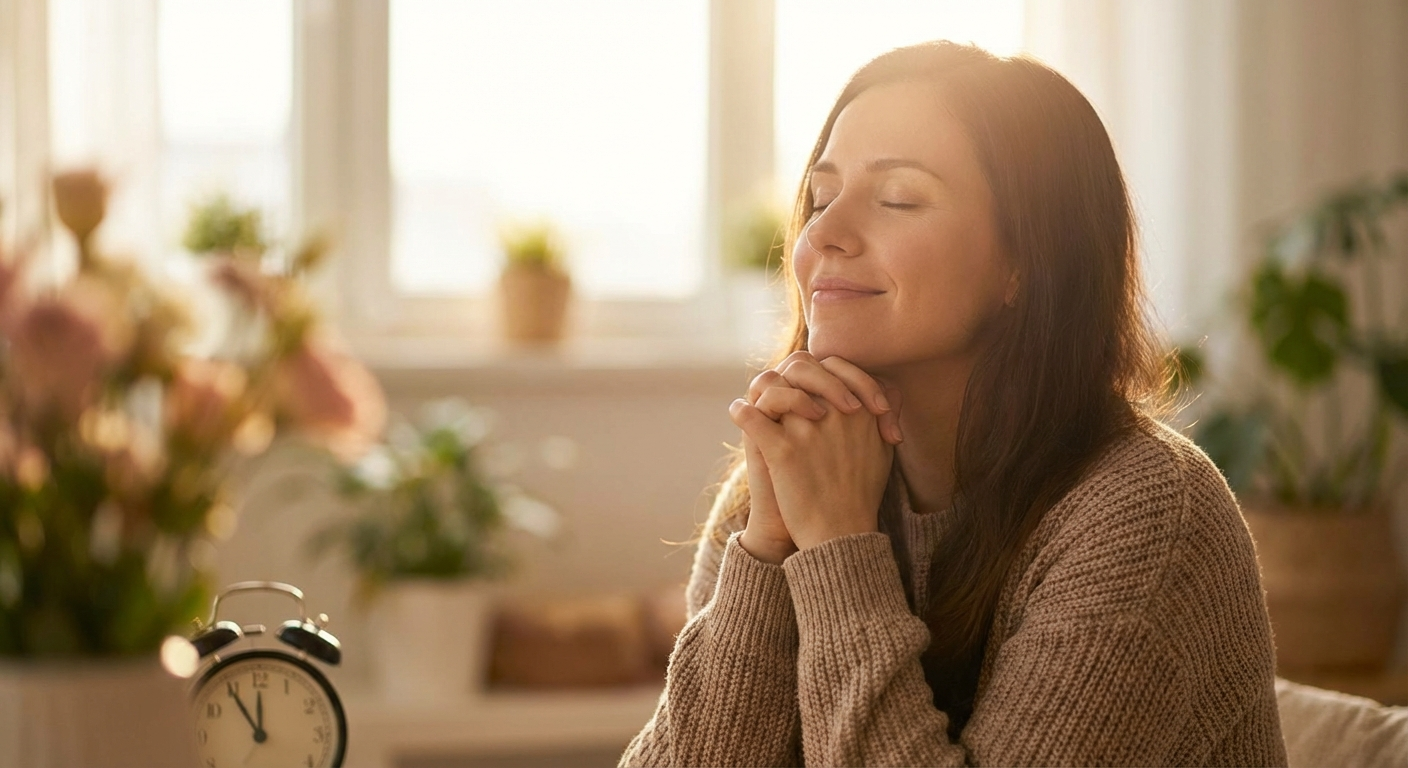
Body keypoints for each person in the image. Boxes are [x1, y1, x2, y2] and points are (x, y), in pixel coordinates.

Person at [621, 41, 1286, 767]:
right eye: (820, 198)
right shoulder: (792, 474)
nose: (823, 236)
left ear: (1025, 261)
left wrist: (839, 549)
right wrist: (766, 551)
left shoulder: (1146, 515)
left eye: (898, 199)